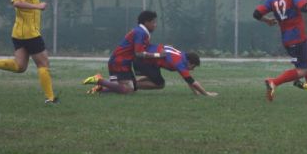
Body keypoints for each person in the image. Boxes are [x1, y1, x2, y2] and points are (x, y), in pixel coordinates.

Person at [87, 44, 217, 97]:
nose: (192, 69)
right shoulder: (179, 62)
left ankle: (101, 87)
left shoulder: (180, 55)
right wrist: (207, 94)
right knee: (159, 84)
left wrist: (196, 94)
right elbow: (192, 81)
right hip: (144, 61)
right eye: (193, 67)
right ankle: (102, 82)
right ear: (189, 62)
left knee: (155, 81)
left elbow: (188, 80)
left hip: (149, 62)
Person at [82, 10, 162, 94]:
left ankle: (99, 89)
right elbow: (139, 53)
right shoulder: (140, 33)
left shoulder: (141, 32)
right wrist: (158, 55)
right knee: (129, 90)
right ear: (146, 22)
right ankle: (99, 80)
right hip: (119, 62)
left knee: (127, 88)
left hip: (120, 62)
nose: (155, 25)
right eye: (153, 22)